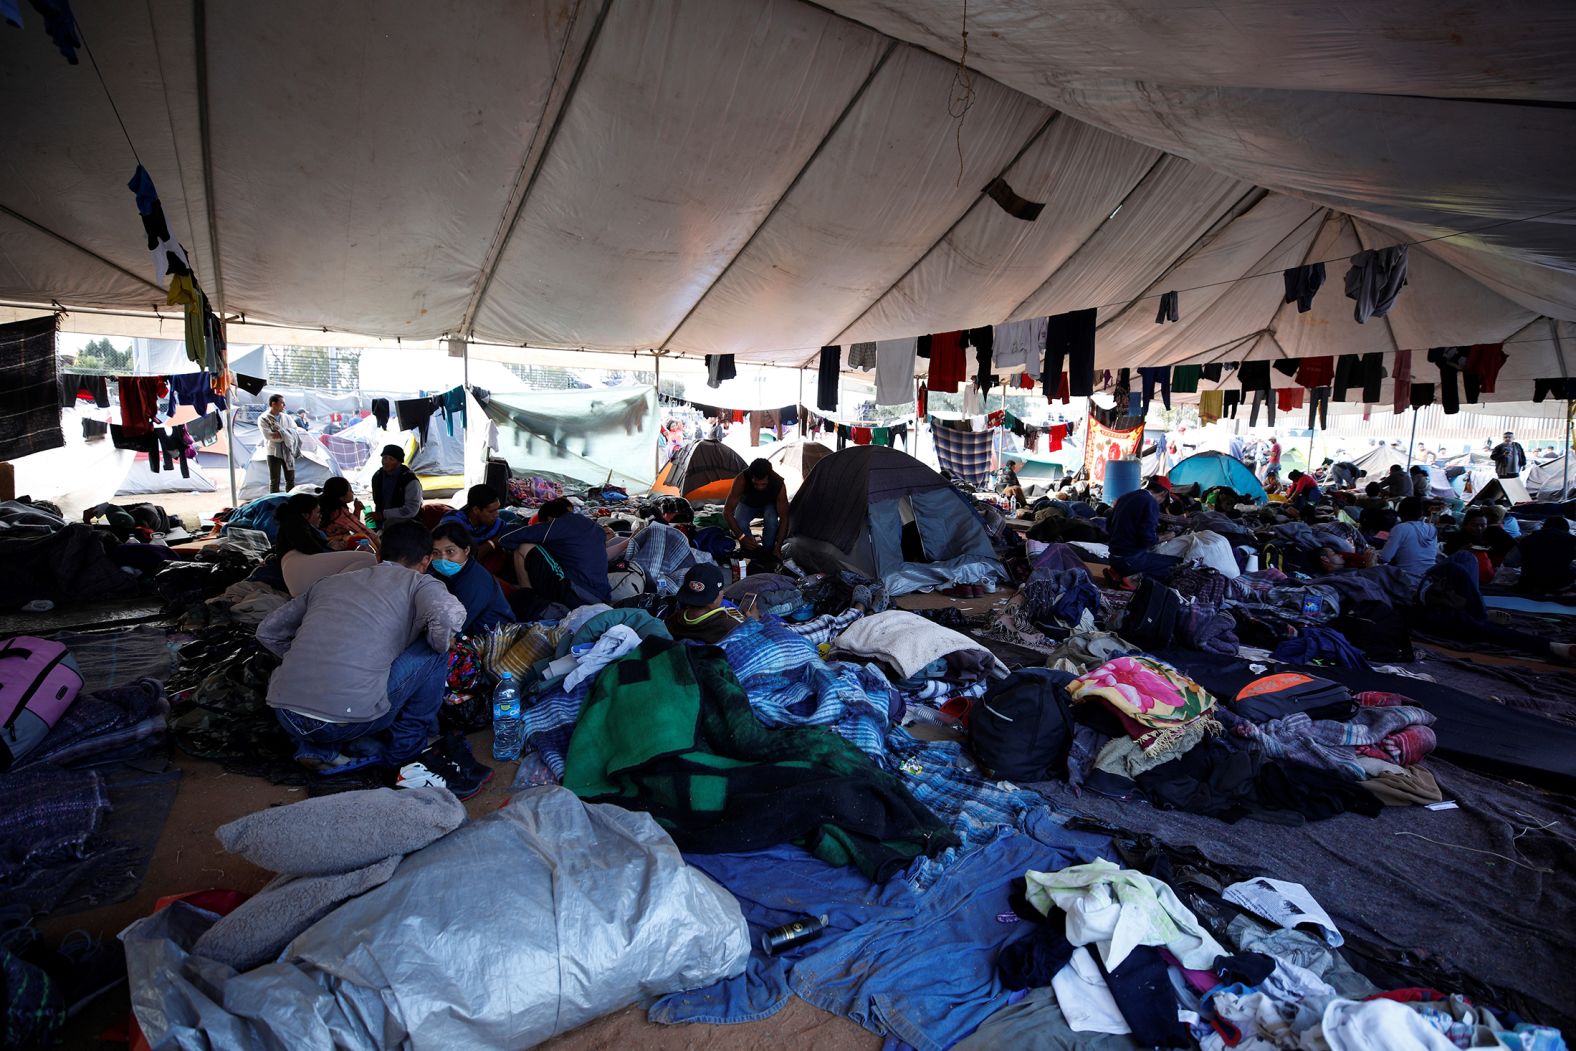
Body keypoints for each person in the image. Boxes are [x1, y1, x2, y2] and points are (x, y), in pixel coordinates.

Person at [257, 520, 466, 773]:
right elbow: (447, 615)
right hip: (345, 719)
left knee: (338, 663)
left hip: (286, 714)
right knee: (434, 652)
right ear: (426, 560)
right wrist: (440, 643)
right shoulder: (420, 583)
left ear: (378, 555)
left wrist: (308, 661)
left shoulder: (331, 582)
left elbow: (267, 631)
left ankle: (319, 749)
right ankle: (407, 748)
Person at [498, 496, 612, 606]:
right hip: (602, 595)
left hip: (577, 595)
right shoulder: (593, 526)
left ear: (549, 519)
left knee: (524, 547)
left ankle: (528, 596)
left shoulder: (558, 525)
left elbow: (507, 537)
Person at [273, 493, 375, 597]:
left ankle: (331, 592)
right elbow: (311, 548)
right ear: (306, 515)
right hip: (298, 574)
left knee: (363, 559)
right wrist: (331, 548)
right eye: (317, 512)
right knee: (368, 558)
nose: (320, 516)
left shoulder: (294, 523)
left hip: (298, 574)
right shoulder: (293, 522)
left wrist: (331, 547)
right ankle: (330, 594)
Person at [429, 522, 514, 633]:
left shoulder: (474, 583)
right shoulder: (442, 573)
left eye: (450, 551)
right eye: (436, 553)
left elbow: (451, 629)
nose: (443, 559)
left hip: (490, 636)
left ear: (466, 550)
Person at [1105, 478, 1180, 581]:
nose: (1161, 504)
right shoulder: (1151, 502)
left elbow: (1108, 525)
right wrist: (1167, 536)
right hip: (1130, 561)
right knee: (1177, 564)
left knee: (1152, 557)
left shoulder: (1126, 496)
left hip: (1113, 558)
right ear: (1163, 493)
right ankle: (1133, 580)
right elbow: (1148, 540)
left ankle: (1119, 574)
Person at [724, 458, 790, 559]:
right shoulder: (741, 479)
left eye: (763, 484)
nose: (759, 487)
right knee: (740, 522)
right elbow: (727, 511)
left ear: (769, 478)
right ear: (751, 477)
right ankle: (750, 549)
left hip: (769, 504)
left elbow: (784, 518)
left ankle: (768, 550)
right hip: (747, 503)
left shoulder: (778, 483)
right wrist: (741, 537)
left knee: (771, 521)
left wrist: (778, 547)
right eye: (756, 484)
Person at [664, 563, 744, 643]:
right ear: (714, 599)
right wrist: (750, 622)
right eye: (721, 591)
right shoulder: (730, 627)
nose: (722, 594)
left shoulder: (672, 621)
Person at [1442, 507, 1516, 579]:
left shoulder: (1489, 535)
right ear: (1466, 524)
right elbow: (1447, 557)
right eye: (1474, 525)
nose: (1479, 528)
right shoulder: (1456, 537)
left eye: (1483, 525)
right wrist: (1461, 551)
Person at [1378, 496, 1438, 579]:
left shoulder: (1400, 528)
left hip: (1407, 579)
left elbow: (1384, 558)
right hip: (1428, 579)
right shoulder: (1432, 528)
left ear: (1400, 512)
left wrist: (1372, 554)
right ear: (1421, 513)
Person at [440, 484, 504, 559]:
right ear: (476, 510)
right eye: (491, 511)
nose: (496, 515)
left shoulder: (495, 523)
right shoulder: (453, 523)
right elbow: (464, 558)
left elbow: (508, 532)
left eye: (497, 509)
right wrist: (492, 543)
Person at [318, 476, 378, 554]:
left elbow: (350, 524)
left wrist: (357, 510)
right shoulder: (340, 513)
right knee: (362, 537)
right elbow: (365, 531)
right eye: (350, 490)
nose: (353, 492)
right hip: (334, 549)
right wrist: (381, 549)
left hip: (324, 545)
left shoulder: (327, 506)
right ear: (342, 497)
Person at [1517, 517, 1576, 595]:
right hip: (1561, 585)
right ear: (1566, 530)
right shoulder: (1572, 540)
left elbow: (1511, 562)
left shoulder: (1526, 539)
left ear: (1543, 527)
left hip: (1530, 585)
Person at [370, 445, 423, 528]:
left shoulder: (410, 481)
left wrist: (383, 515)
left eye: (391, 459)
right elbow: (378, 503)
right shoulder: (377, 477)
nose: (386, 462)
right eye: (384, 458)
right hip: (382, 525)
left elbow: (411, 509)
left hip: (405, 526)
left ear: (399, 462)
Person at [258, 394, 300, 493]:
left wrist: (281, 433)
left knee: (290, 479)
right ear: (273, 404)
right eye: (282, 403)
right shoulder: (264, 418)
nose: (284, 405)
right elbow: (269, 436)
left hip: (288, 450)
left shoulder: (287, 417)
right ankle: (274, 500)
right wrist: (286, 435)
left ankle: (290, 499)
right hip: (273, 452)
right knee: (274, 480)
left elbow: (295, 431)